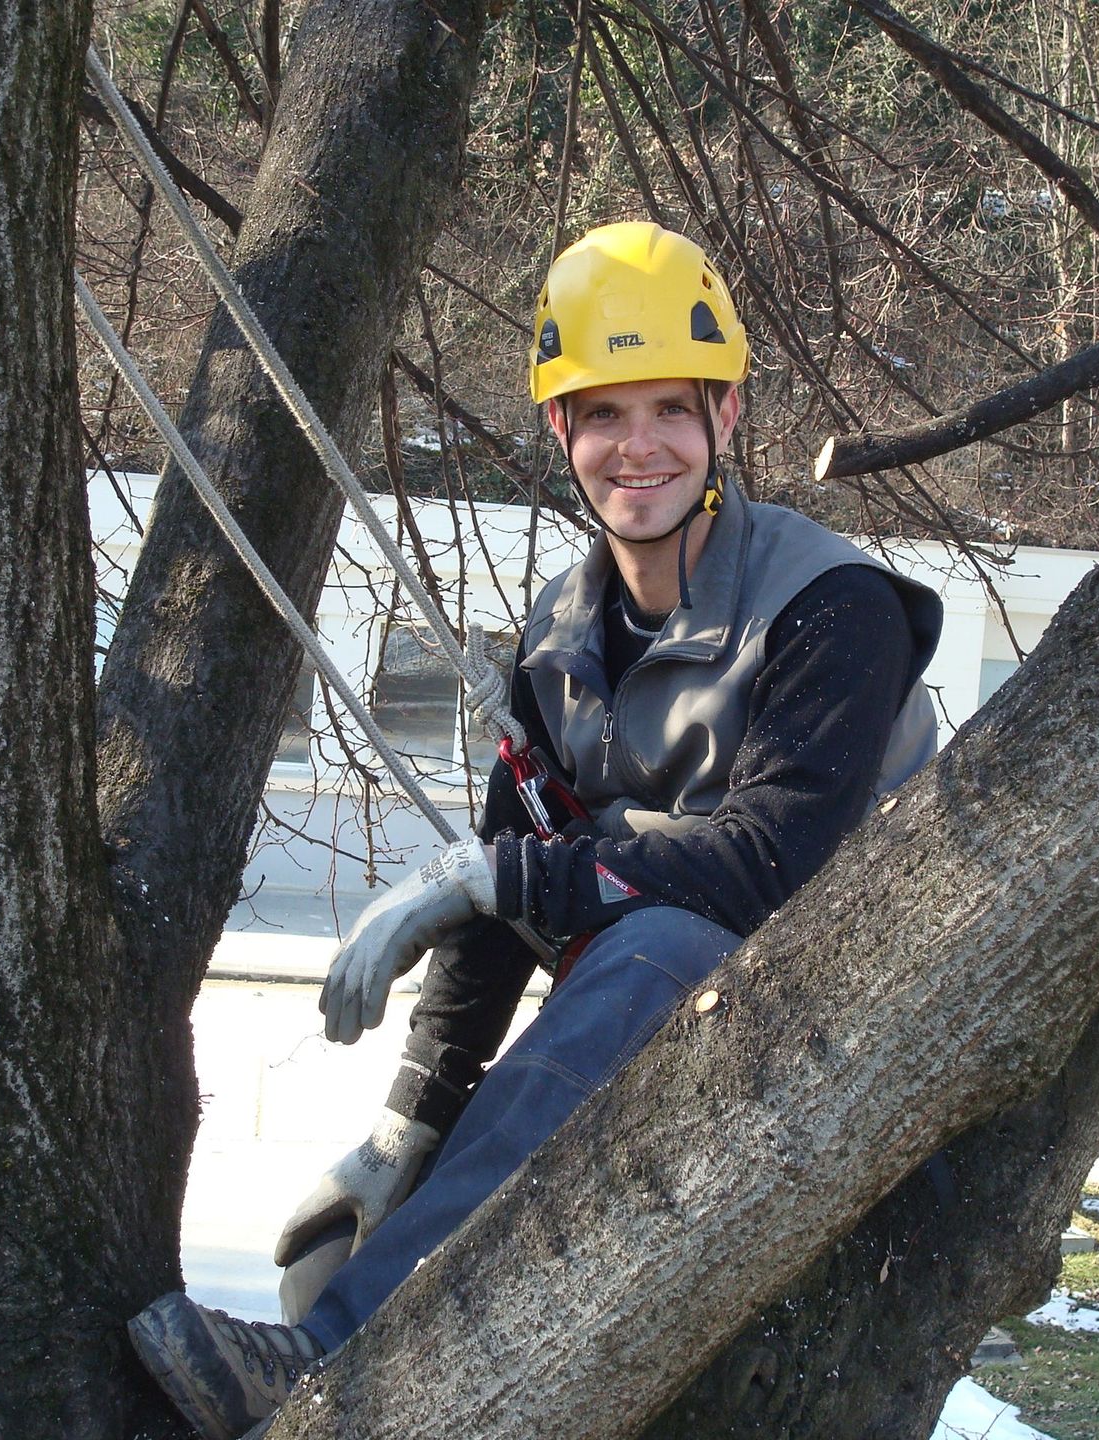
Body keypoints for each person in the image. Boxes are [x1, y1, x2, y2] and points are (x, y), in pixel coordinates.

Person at [126, 221, 944, 1439]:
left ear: (726, 417)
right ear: (560, 432)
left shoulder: (833, 607)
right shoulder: (560, 641)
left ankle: (325, 1363)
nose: (640, 445)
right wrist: (408, 1125)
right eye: (603, 412)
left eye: (673, 406)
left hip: (842, 1010)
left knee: (658, 936)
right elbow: (499, 920)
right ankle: (376, 1301)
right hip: (656, 1016)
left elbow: (767, 864)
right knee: (631, 947)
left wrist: (489, 871)